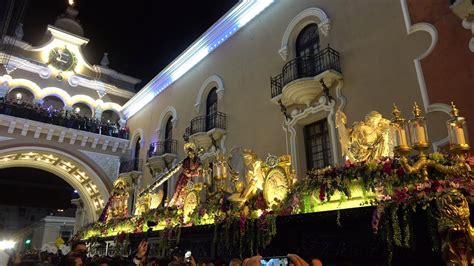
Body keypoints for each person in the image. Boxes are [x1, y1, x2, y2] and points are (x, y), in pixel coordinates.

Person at [168, 142, 202, 208]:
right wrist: (196, 173)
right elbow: (188, 173)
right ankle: (178, 206)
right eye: (188, 152)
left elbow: (200, 170)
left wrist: (198, 171)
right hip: (183, 179)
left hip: (190, 181)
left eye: (191, 151)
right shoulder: (185, 161)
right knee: (180, 193)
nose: (190, 153)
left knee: (191, 194)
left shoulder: (196, 160)